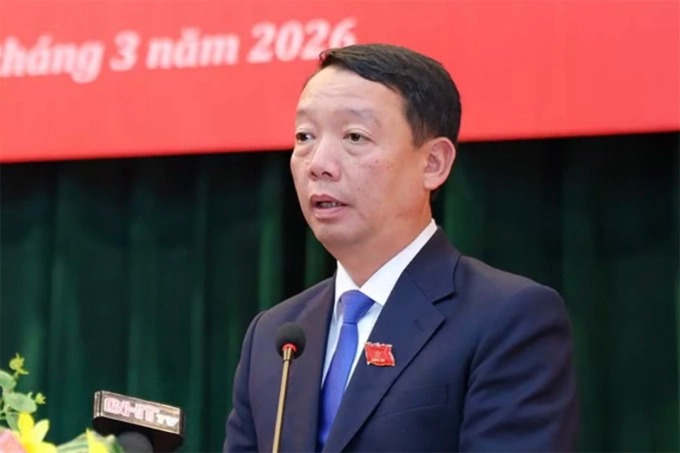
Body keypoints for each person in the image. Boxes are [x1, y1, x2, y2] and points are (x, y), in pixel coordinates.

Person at [224, 43, 579, 452]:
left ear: (433, 163)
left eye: (355, 136)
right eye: (305, 136)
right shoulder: (275, 335)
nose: (318, 163)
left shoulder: (508, 318)